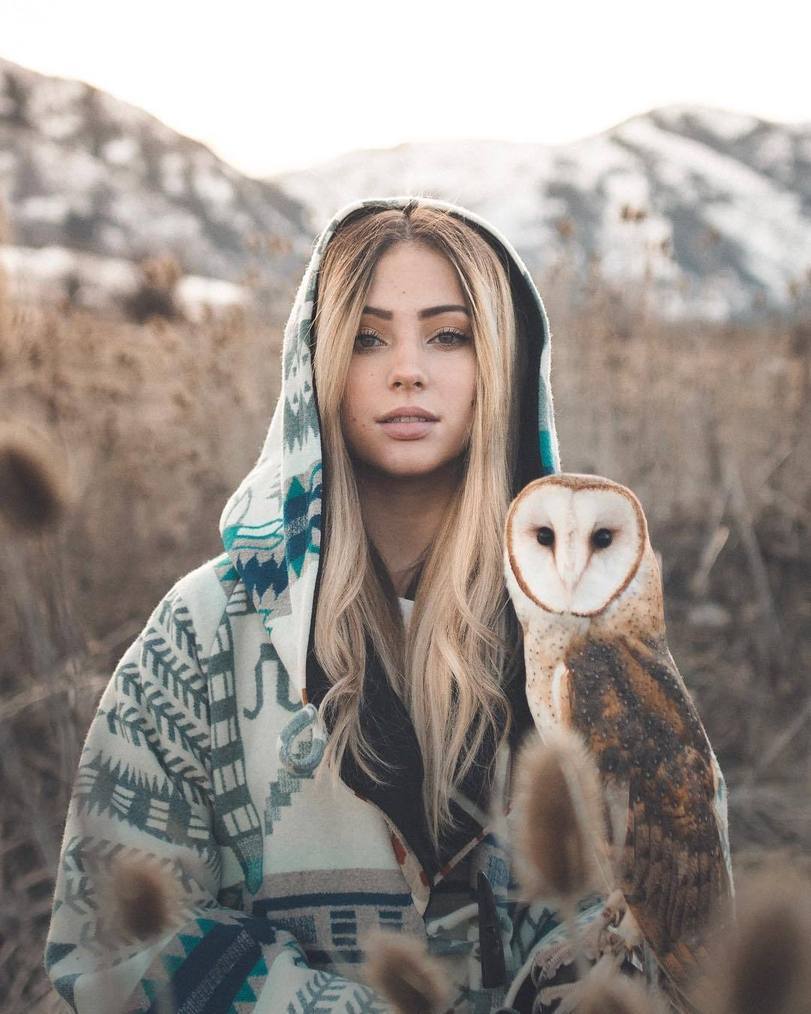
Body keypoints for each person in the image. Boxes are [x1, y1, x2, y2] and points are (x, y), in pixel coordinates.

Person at [44, 196, 729, 1013]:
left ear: (501, 365)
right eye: (368, 338)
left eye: (448, 334)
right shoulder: (204, 632)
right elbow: (111, 939)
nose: (407, 368)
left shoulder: (577, 634)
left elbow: (660, 920)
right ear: (318, 364)